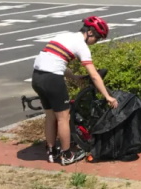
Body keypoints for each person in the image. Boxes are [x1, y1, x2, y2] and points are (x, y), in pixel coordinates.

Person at [31, 16, 118, 166]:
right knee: (64, 118)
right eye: (96, 39)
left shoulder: (64, 36)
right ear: (90, 32)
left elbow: (54, 60)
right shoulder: (81, 45)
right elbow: (94, 75)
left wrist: (73, 77)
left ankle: (51, 151)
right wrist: (108, 96)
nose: (95, 42)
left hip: (37, 77)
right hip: (52, 80)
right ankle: (66, 155)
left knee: (50, 116)